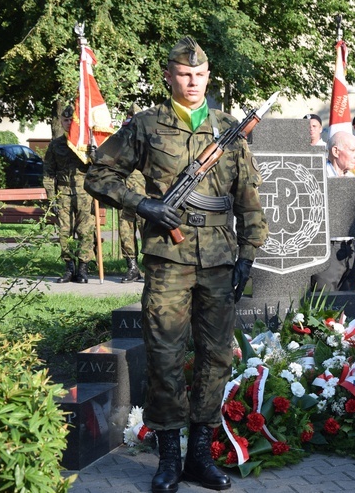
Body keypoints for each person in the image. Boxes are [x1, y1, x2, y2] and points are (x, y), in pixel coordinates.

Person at [84, 36, 268, 493]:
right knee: (166, 356)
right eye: (183, 74)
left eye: (199, 74)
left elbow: (250, 200)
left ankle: (199, 457)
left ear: (208, 77)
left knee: (216, 357)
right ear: (168, 76)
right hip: (169, 258)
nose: (191, 82)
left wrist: (247, 255)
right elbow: (98, 175)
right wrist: (142, 205)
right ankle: (167, 458)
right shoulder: (146, 126)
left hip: (221, 260)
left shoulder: (228, 129)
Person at [43, 105, 95, 284]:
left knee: (85, 231)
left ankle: (83, 268)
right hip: (63, 193)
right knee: (65, 232)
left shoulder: (85, 143)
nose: (68, 123)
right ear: (61, 121)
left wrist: (95, 155)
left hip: (84, 192)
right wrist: (52, 199)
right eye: (65, 120)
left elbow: (98, 169)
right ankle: (69, 268)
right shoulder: (55, 144)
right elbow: (48, 173)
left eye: (71, 120)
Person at [310, 131, 355, 292]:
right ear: (335, 151)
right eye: (353, 150)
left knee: (348, 306)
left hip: (348, 249)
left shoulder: (353, 178)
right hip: (326, 249)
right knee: (324, 305)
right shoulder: (318, 176)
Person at [118, 103, 145, 283]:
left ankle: (152, 268)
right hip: (124, 193)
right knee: (125, 230)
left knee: (147, 230)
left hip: (145, 196)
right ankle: (132, 268)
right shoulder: (119, 141)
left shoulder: (150, 140)